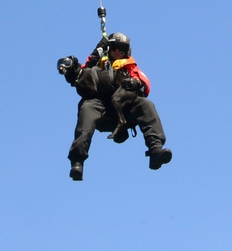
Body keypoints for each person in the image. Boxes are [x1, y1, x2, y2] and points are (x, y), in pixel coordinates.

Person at [57, 31, 172, 181]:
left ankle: (155, 150)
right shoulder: (98, 63)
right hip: (100, 107)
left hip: (124, 109)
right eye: (115, 47)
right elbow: (81, 74)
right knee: (86, 111)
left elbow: (145, 82)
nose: (118, 51)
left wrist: (136, 83)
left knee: (146, 105)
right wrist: (96, 52)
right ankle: (77, 161)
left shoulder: (129, 68)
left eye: (122, 49)